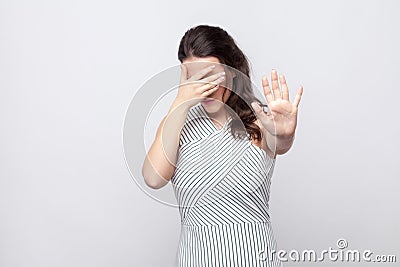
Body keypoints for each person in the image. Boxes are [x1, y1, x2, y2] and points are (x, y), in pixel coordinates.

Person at [142, 25, 303, 267]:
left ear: (232, 73)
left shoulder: (260, 120)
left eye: (211, 75)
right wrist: (180, 101)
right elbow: (153, 178)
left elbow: (279, 143)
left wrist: (286, 133)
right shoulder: (177, 124)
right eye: (194, 77)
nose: (204, 87)